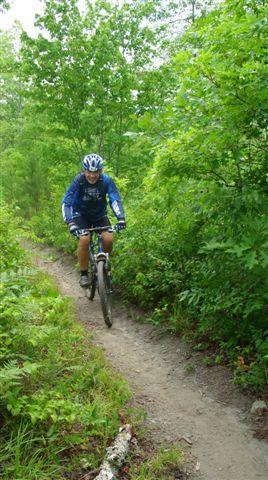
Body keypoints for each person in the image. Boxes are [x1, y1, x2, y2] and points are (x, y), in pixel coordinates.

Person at [62, 153, 126, 287]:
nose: (92, 175)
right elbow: (67, 203)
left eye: (96, 172)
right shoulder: (78, 181)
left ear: (100, 171)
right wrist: (70, 223)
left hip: (99, 215)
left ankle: (104, 267)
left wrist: (121, 219)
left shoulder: (106, 181)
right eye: (89, 172)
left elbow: (115, 199)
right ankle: (84, 274)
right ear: (84, 170)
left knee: (108, 239)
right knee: (84, 239)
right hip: (81, 215)